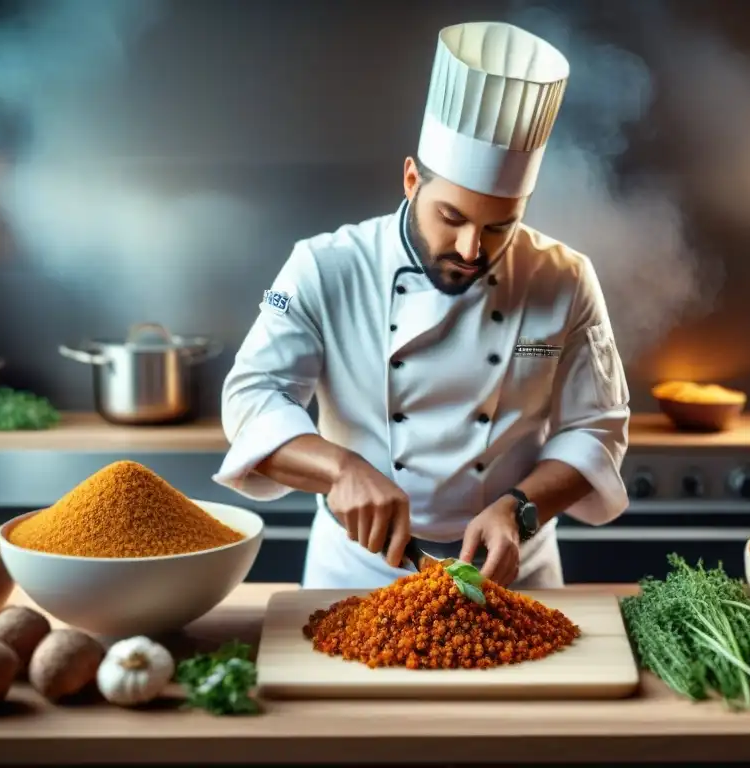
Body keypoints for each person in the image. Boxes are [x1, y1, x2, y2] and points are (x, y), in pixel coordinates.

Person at [213, 20, 631, 590]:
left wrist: (520, 508)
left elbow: (597, 427)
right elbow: (250, 397)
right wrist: (340, 469)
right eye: (451, 218)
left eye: (499, 227)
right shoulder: (323, 267)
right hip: (356, 570)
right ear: (411, 179)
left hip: (511, 571)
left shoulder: (566, 279)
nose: (470, 249)